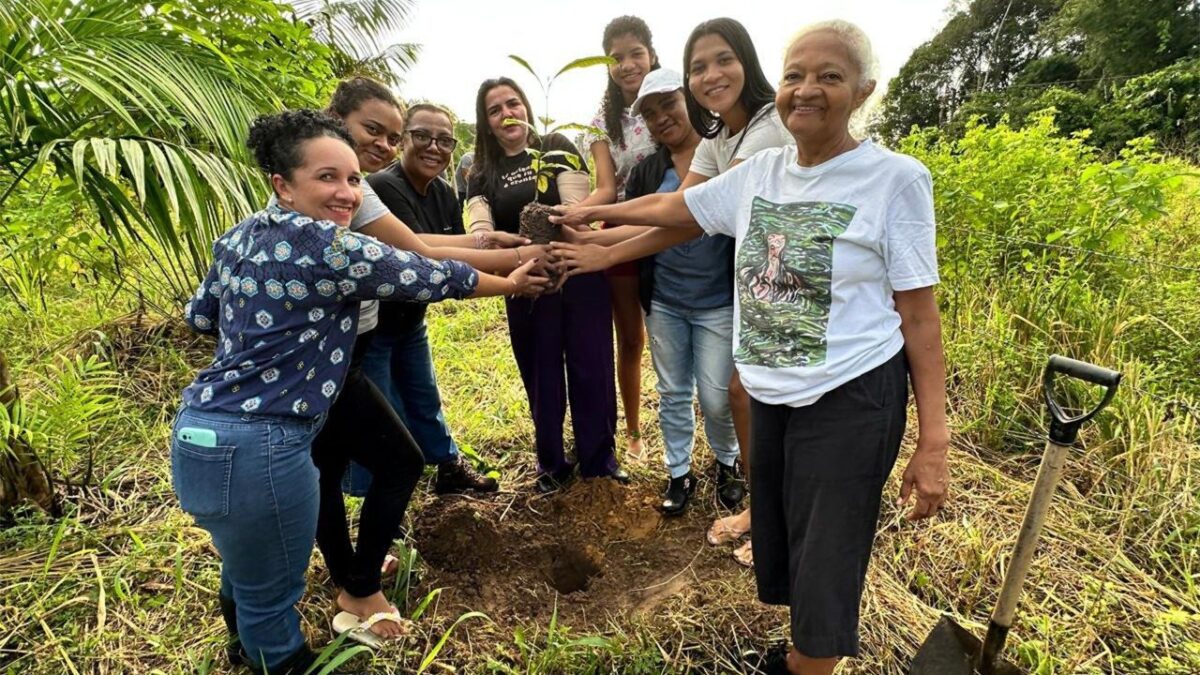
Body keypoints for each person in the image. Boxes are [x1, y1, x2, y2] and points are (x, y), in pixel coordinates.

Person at [552, 20, 950, 674]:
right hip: (771, 396)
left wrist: (934, 442)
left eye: (830, 76)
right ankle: (803, 652)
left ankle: (807, 663)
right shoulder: (761, 169)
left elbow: (919, 316)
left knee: (826, 565)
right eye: (796, 74)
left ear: (863, 90)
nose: (807, 89)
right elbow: (674, 213)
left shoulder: (895, 179)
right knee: (791, 549)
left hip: (849, 398)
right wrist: (588, 226)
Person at [173, 109, 546, 673]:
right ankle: (282, 659)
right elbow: (431, 273)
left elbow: (199, 317)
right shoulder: (330, 246)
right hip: (265, 444)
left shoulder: (236, 238)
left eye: (352, 180)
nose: (347, 193)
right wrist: (512, 282)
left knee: (246, 566)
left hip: (201, 429)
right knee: (272, 595)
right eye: (328, 178)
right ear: (283, 184)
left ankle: (243, 652)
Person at [305, 79, 550, 648]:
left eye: (395, 135)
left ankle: (349, 573)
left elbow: (433, 241)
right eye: (378, 131)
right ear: (335, 119)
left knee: (338, 461)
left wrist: (496, 247)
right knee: (388, 459)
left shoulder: (359, 186)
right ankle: (358, 582)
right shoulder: (360, 192)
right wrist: (511, 271)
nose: (389, 145)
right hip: (328, 356)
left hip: (350, 343)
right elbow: (414, 259)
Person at [557, 17, 792, 566]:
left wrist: (597, 225)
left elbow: (695, 216)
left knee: (749, 401)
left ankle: (773, 520)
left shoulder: (764, 128)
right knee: (736, 396)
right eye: (699, 66)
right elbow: (679, 211)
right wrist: (599, 234)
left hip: (784, 287)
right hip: (721, 293)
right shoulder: (716, 141)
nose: (712, 76)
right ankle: (751, 507)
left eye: (723, 61)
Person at [465, 77, 625, 493]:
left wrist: (559, 228)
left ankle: (599, 461)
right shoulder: (478, 170)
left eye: (513, 103)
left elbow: (577, 208)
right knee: (541, 371)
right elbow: (480, 228)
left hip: (576, 268)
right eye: (495, 110)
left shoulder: (557, 146)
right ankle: (551, 464)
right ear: (486, 123)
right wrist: (509, 251)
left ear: (527, 107)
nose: (506, 114)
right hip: (525, 280)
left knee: (592, 365)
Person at [616, 68, 738, 515]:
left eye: (668, 103)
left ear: (690, 100)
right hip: (665, 301)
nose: (660, 117)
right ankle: (679, 472)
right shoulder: (649, 171)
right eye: (649, 113)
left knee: (715, 394)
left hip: (718, 301)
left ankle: (728, 463)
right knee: (671, 391)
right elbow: (632, 227)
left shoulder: (727, 157)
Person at [360, 103, 497, 494]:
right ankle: (381, 499)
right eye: (422, 136)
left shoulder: (441, 191)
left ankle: (447, 467)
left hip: (410, 320)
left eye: (444, 140)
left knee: (424, 398)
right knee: (384, 415)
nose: (433, 147)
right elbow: (423, 257)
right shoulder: (384, 186)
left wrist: (499, 255)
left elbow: (460, 248)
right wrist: (513, 270)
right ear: (403, 139)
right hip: (374, 327)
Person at [574, 15, 661, 459]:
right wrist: (576, 213)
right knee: (630, 338)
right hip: (620, 225)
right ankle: (633, 431)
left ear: (651, 54)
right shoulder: (602, 120)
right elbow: (606, 187)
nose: (627, 65)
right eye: (616, 57)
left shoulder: (673, 101)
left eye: (635, 54)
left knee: (674, 331)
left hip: (672, 221)